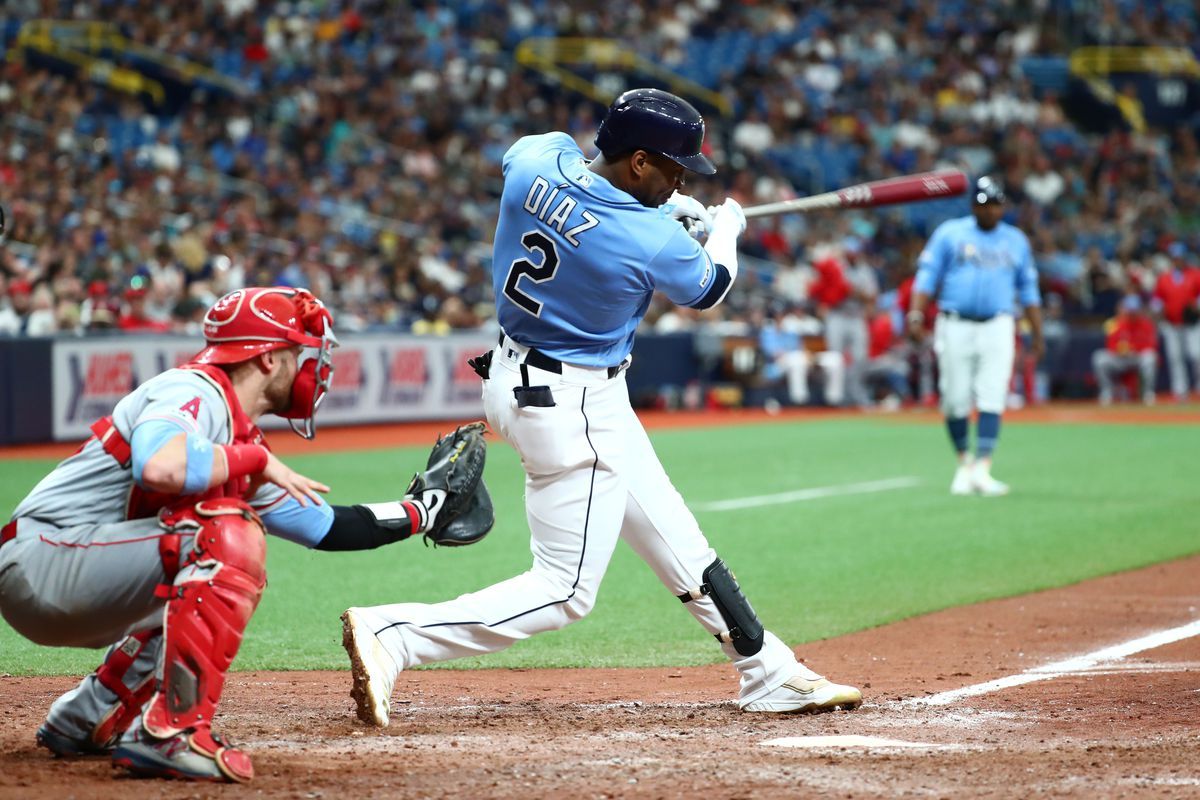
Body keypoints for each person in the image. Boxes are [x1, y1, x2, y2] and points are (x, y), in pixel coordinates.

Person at [340, 87, 862, 730]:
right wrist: (722, 229)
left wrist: (663, 205)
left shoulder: (540, 160)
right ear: (638, 161)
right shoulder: (647, 239)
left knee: (672, 532)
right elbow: (712, 286)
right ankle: (397, 634)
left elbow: (554, 175)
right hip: (570, 402)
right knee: (564, 590)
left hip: (524, 375)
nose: (681, 176)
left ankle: (768, 670)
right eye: (673, 167)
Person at [0, 286, 491, 784]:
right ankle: (172, 733)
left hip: (79, 573)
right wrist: (254, 461)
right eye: (299, 352)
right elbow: (160, 466)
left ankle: (88, 716)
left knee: (214, 552)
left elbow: (323, 526)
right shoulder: (193, 390)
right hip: (42, 561)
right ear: (268, 358)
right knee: (226, 536)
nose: (311, 367)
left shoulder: (231, 441)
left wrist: (423, 510)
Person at [907, 177, 1044, 497]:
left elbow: (1028, 289)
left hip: (998, 323)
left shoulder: (1015, 240)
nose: (990, 210)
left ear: (1004, 206)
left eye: (996, 204)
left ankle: (982, 467)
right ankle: (964, 463)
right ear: (973, 206)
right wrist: (916, 315)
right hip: (955, 323)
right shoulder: (950, 233)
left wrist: (1038, 334)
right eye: (984, 204)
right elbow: (927, 276)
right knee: (954, 398)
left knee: (992, 394)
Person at [1150, 243, 1200, 401]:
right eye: (1175, 257)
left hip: (1192, 323)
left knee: (1196, 354)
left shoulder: (1195, 274)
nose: (1178, 260)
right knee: (1175, 357)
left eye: (1180, 257)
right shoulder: (1164, 278)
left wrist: (1197, 306)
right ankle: (1180, 391)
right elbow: (1157, 299)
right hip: (1171, 323)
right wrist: (1157, 310)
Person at [1092, 294, 1158, 405]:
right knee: (1099, 358)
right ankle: (1107, 392)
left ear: (1139, 310)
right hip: (1121, 359)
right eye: (1130, 310)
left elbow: (1152, 345)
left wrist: (1134, 349)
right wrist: (1119, 351)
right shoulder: (1116, 323)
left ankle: (1148, 393)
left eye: (1134, 310)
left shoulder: (1147, 324)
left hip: (1138, 358)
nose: (1132, 313)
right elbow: (1110, 344)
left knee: (1150, 357)